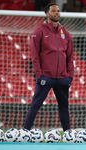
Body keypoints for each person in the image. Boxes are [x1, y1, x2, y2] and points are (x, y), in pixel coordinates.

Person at [24, 3, 74, 131]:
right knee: (36, 104)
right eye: (53, 11)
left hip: (63, 78)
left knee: (64, 106)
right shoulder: (38, 32)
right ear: (47, 13)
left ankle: (67, 133)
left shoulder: (66, 33)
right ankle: (25, 131)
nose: (57, 13)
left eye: (58, 11)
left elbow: (69, 57)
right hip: (46, 76)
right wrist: (39, 74)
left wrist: (70, 76)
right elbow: (34, 56)